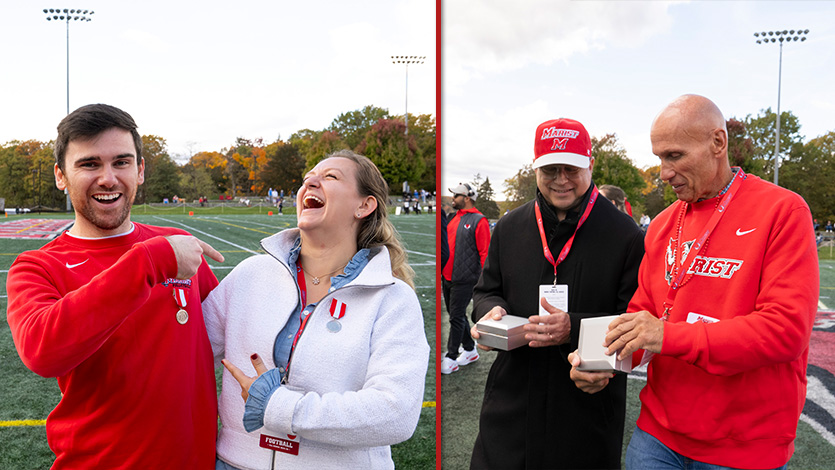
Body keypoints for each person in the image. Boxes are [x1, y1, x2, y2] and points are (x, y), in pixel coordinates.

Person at [571, 94, 819, 469]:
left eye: (674, 156)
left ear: (718, 143)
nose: (663, 172)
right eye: (659, 158)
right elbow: (644, 314)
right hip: (658, 435)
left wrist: (668, 336)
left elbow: (785, 330)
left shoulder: (783, 211)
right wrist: (605, 360)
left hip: (744, 447)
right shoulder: (663, 224)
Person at [6, 104, 224, 469]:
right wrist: (150, 261)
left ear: (139, 171)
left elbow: (234, 333)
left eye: (121, 162)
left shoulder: (178, 246)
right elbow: (41, 349)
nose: (108, 178)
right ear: (61, 176)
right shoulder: (38, 266)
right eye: (89, 164)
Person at [203, 149, 429, 469]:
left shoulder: (392, 299)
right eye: (307, 178)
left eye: (330, 177)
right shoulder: (250, 274)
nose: (311, 183)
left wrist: (281, 407)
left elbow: (396, 413)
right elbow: (182, 352)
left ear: (364, 205)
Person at [468, 118, 645, 468]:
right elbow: (486, 291)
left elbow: (635, 317)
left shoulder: (624, 235)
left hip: (585, 404)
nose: (561, 179)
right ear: (536, 169)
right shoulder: (510, 226)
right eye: (550, 168)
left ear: (589, 165)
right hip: (512, 400)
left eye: (571, 168)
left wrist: (573, 327)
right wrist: (490, 313)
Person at [441, 183, 490, 374]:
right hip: (448, 276)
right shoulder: (453, 218)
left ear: (467, 198)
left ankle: (451, 356)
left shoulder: (480, 220)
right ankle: (470, 349)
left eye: (456, 196)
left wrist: (485, 281)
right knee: (457, 315)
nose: (452, 199)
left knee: (455, 316)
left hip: (465, 278)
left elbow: (485, 253)